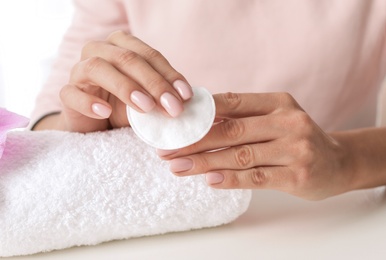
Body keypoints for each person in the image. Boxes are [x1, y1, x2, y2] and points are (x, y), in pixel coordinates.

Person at [31, 0, 386, 200]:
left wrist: (347, 160)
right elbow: (42, 124)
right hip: (172, 220)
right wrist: (81, 124)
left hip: (337, 215)